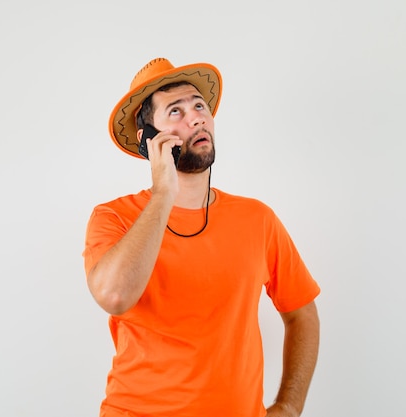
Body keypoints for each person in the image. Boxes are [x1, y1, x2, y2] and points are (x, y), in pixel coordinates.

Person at [83, 57, 321, 417]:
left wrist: (288, 407)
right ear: (147, 138)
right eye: (175, 111)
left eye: (199, 105)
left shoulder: (257, 219)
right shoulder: (113, 217)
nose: (196, 117)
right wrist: (164, 192)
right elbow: (114, 295)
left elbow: (302, 313)